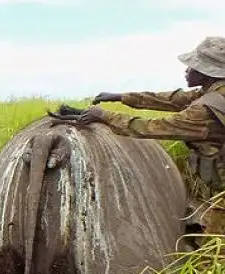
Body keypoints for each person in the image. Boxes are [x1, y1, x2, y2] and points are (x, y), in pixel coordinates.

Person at [74, 36, 225, 205]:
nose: (187, 70)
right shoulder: (215, 92)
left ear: (207, 73)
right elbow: (173, 99)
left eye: (193, 66)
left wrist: (103, 115)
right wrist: (121, 97)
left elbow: (152, 127)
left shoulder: (204, 110)